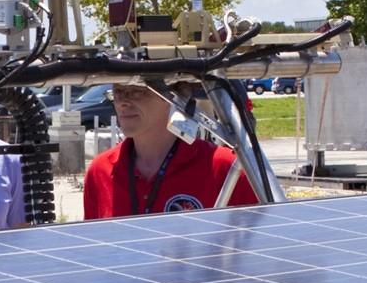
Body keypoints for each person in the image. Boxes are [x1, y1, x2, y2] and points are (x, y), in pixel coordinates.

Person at [83, 80, 262, 219]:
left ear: (171, 96)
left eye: (136, 91)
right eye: (117, 92)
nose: (122, 102)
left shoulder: (226, 168)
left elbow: (260, 247)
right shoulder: (100, 170)